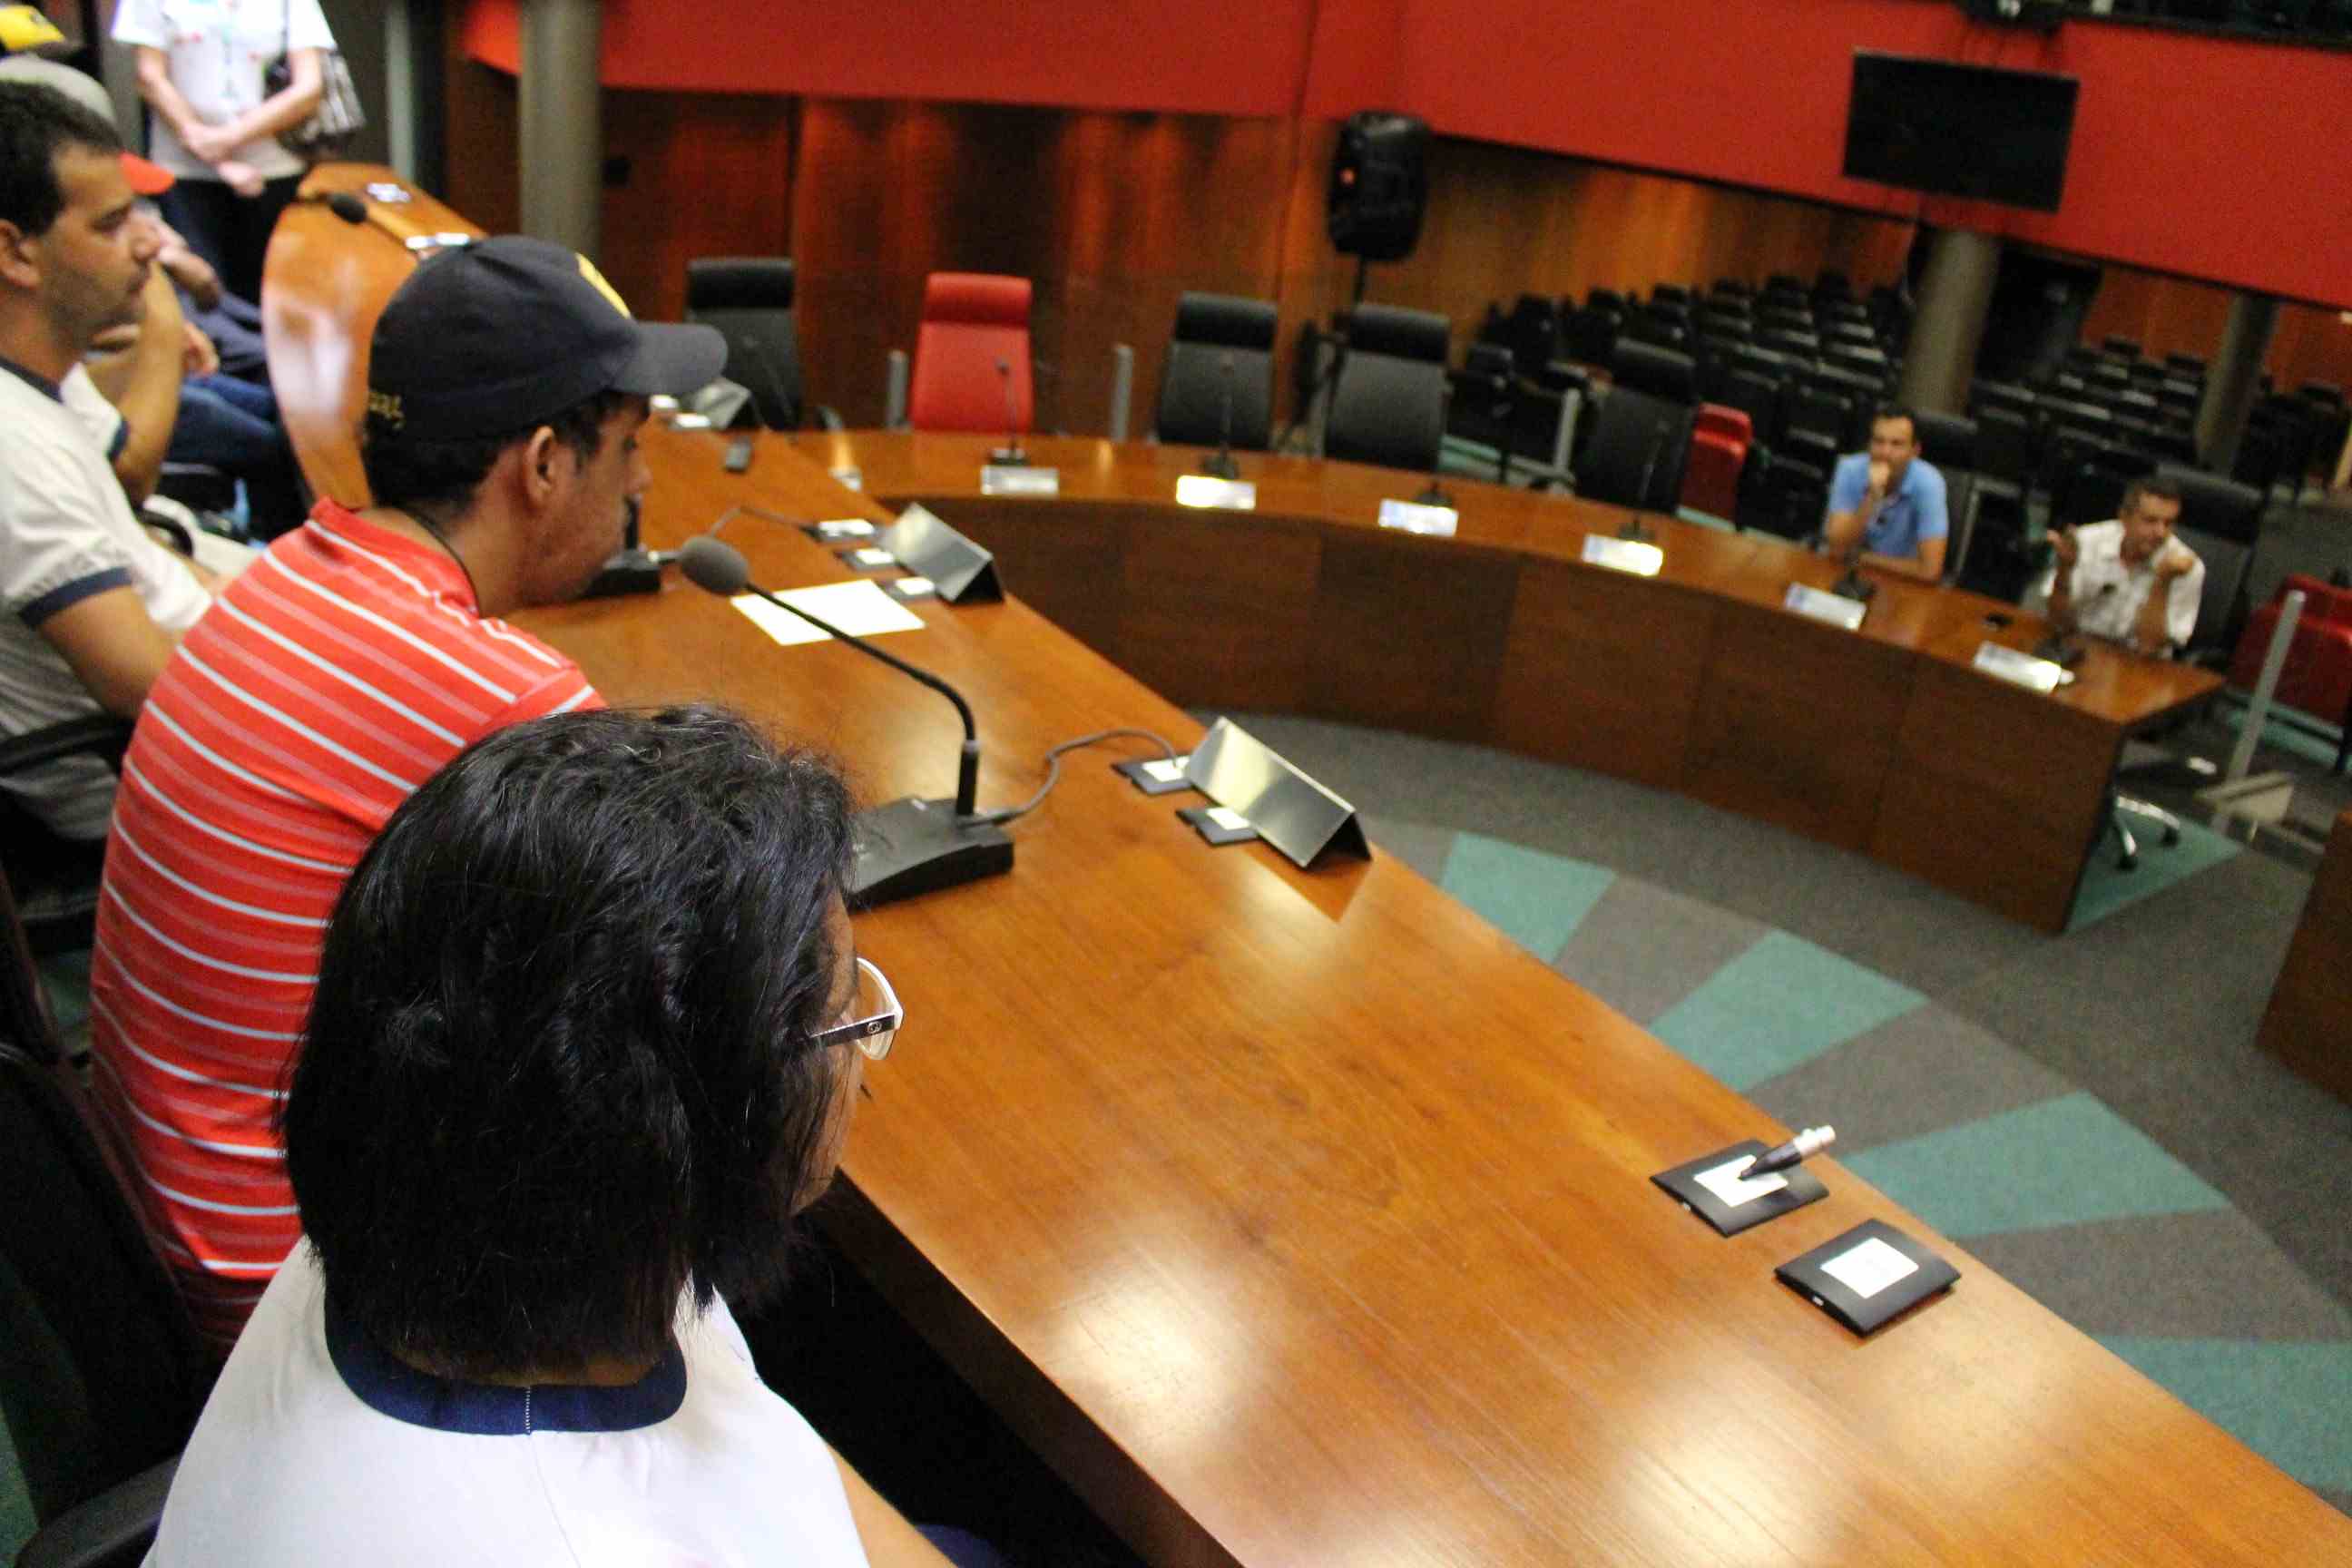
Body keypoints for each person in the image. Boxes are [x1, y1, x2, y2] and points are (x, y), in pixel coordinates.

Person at [85, 235, 725, 1350]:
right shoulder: (504, 702)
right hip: (278, 1286)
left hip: (142, 1213)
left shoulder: (283, 572)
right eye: (629, 446)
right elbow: (676, 1007)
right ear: (542, 465)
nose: (642, 483)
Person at [143, 706, 968, 1568]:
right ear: (691, 1130)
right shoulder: (586, 1537)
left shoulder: (440, 1162)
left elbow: (751, 1427)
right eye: (844, 1019)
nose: (861, 1049)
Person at [0, 81, 214, 858]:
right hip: (157, 790)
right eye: (112, 225)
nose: (149, 246)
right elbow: (144, 681)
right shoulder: (12, 450)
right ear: (14, 251)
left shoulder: (36, 386)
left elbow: (129, 540)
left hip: (196, 711)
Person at [111, 0, 332, 301]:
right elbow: (149, 77)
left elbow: (309, 87)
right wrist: (216, 156)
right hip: (183, 172)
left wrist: (227, 139)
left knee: (273, 294)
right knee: (200, 295)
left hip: (272, 170)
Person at [2043, 475, 2203, 658]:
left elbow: (2149, 647)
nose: (2161, 532)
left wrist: (2162, 582)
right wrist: (2065, 569)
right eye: (2150, 521)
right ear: (2124, 518)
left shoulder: (2186, 567)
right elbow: (2058, 622)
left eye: (2169, 523)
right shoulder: (2086, 542)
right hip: (2077, 649)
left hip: (2138, 663)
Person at [1821, 405, 1950, 583]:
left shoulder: (1930, 483)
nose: (1885, 452)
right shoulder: (1850, 469)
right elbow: (1837, 549)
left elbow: (1930, 571)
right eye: (1878, 441)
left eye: (1897, 444)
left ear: (1915, 451)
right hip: (1848, 575)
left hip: (1901, 581)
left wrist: (1861, 557)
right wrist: (1872, 496)